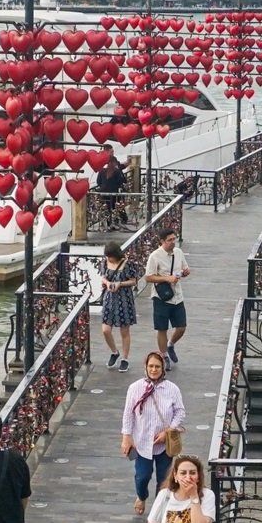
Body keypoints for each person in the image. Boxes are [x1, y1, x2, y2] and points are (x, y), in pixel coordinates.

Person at [121, 351, 184, 517]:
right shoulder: (135, 388)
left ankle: (158, 511)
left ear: (163, 368)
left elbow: (180, 412)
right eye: (151, 366)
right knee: (142, 477)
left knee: (163, 480)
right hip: (142, 443)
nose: (154, 369)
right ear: (145, 367)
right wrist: (126, 437)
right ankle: (141, 496)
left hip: (164, 445)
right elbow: (128, 414)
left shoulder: (172, 389)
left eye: (157, 366)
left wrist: (168, 430)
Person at [143, 228, 189, 367]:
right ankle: (163, 356)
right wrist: (167, 279)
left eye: (174, 239)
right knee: (162, 328)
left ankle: (171, 344)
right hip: (161, 297)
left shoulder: (178, 252)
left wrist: (185, 272)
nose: (173, 242)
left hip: (177, 296)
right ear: (162, 241)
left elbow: (185, 268)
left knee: (181, 327)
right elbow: (149, 277)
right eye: (169, 240)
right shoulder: (155, 256)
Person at [99, 241, 140, 373]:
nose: (108, 258)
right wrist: (108, 283)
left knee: (124, 331)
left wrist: (119, 284)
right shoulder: (105, 262)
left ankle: (125, 358)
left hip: (124, 299)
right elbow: (103, 277)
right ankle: (114, 352)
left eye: (110, 256)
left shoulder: (128, 264)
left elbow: (134, 281)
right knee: (105, 330)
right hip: (109, 299)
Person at [95, 157, 129, 229]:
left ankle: (108, 223)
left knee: (107, 207)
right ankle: (119, 220)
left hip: (103, 194)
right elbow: (121, 181)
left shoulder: (101, 171)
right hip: (113, 194)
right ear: (114, 163)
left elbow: (98, 182)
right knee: (117, 204)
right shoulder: (116, 171)